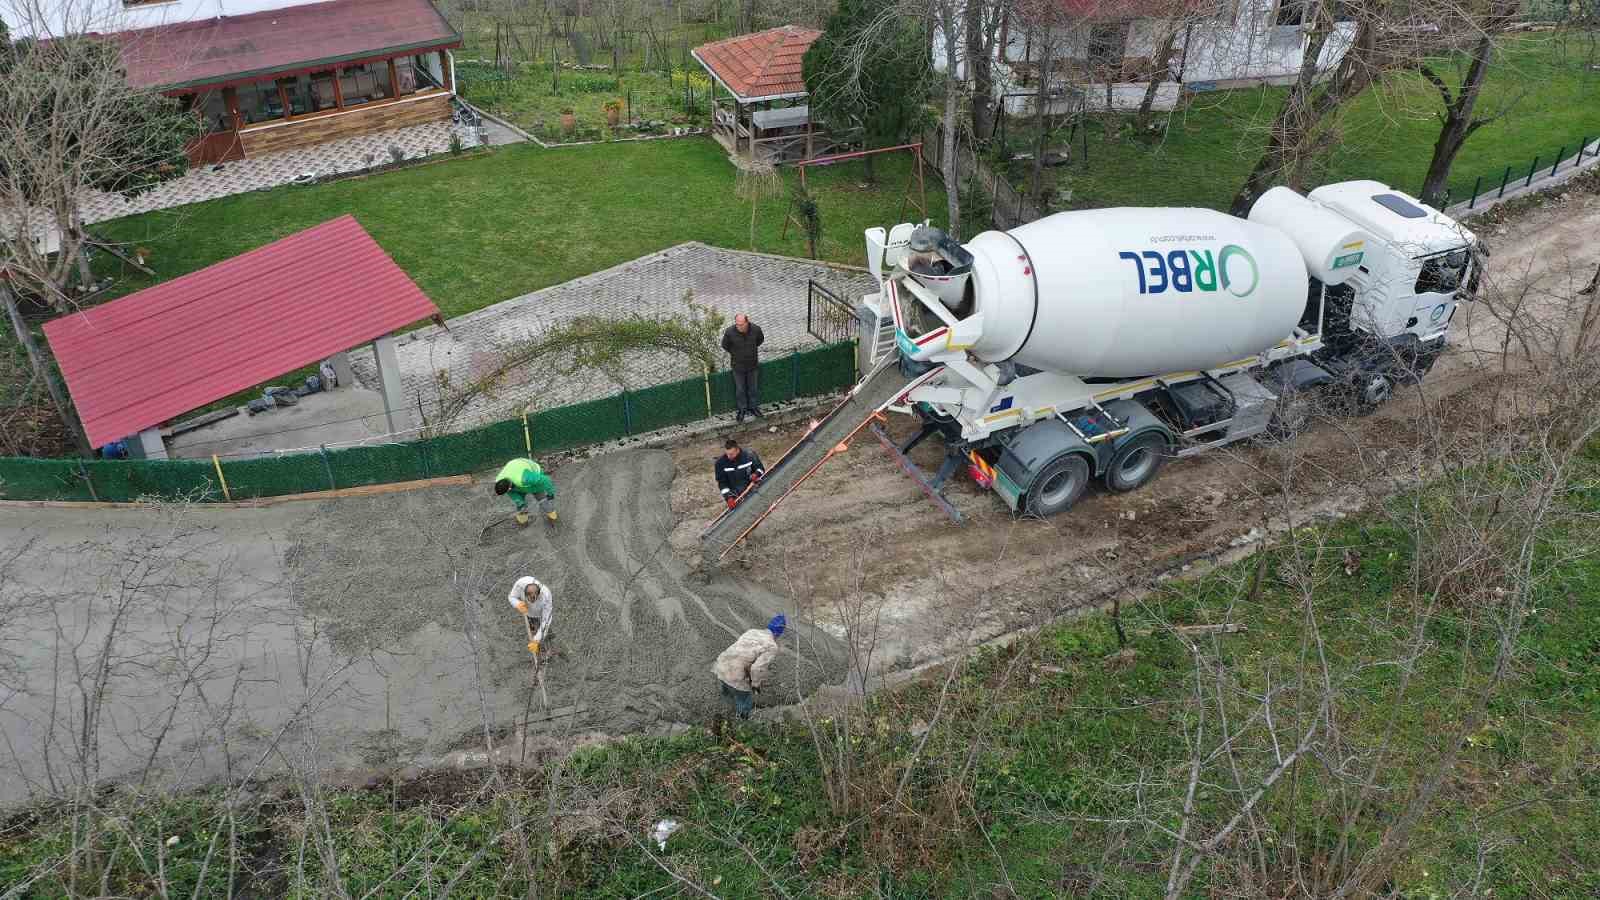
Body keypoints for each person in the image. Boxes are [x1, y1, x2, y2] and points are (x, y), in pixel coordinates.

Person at [713, 614, 785, 720]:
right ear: (779, 633)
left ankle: (726, 706)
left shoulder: (752, 631)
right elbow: (757, 668)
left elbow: (742, 649)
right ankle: (742, 719)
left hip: (722, 664)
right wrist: (755, 684)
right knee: (744, 699)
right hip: (736, 675)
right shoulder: (772, 646)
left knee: (726, 689)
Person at [721, 314, 765, 422]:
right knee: (740, 390)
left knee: (753, 388)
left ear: (747, 322)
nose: (739, 327)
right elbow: (725, 345)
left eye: (741, 324)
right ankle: (742, 410)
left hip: (752, 365)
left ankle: (753, 407)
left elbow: (760, 340)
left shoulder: (756, 329)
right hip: (738, 366)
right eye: (737, 324)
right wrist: (736, 353)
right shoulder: (729, 332)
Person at [493, 457, 558, 525]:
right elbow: (512, 493)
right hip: (516, 468)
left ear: (509, 488)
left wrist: (550, 493)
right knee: (521, 507)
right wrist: (520, 503)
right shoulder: (499, 481)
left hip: (532, 473)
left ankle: (552, 516)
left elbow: (546, 480)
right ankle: (523, 520)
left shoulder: (526, 478)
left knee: (542, 500)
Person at [714, 438, 765, 509]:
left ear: (737, 450)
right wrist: (728, 497)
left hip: (753, 489)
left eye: (731, 454)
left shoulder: (750, 455)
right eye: (727, 454)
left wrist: (756, 474)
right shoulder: (720, 463)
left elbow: (760, 469)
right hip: (736, 495)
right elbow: (722, 483)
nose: (728, 457)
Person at [507, 575, 553, 654]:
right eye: (528, 599)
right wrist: (517, 604)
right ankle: (537, 638)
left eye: (533, 599)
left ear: (538, 594)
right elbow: (511, 597)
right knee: (532, 628)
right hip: (527, 612)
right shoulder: (520, 584)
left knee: (542, 629)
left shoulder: (546, 596)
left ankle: (545, 645)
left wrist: (536, 641)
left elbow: (546, 620)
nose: (531, 601)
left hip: (540, 614)